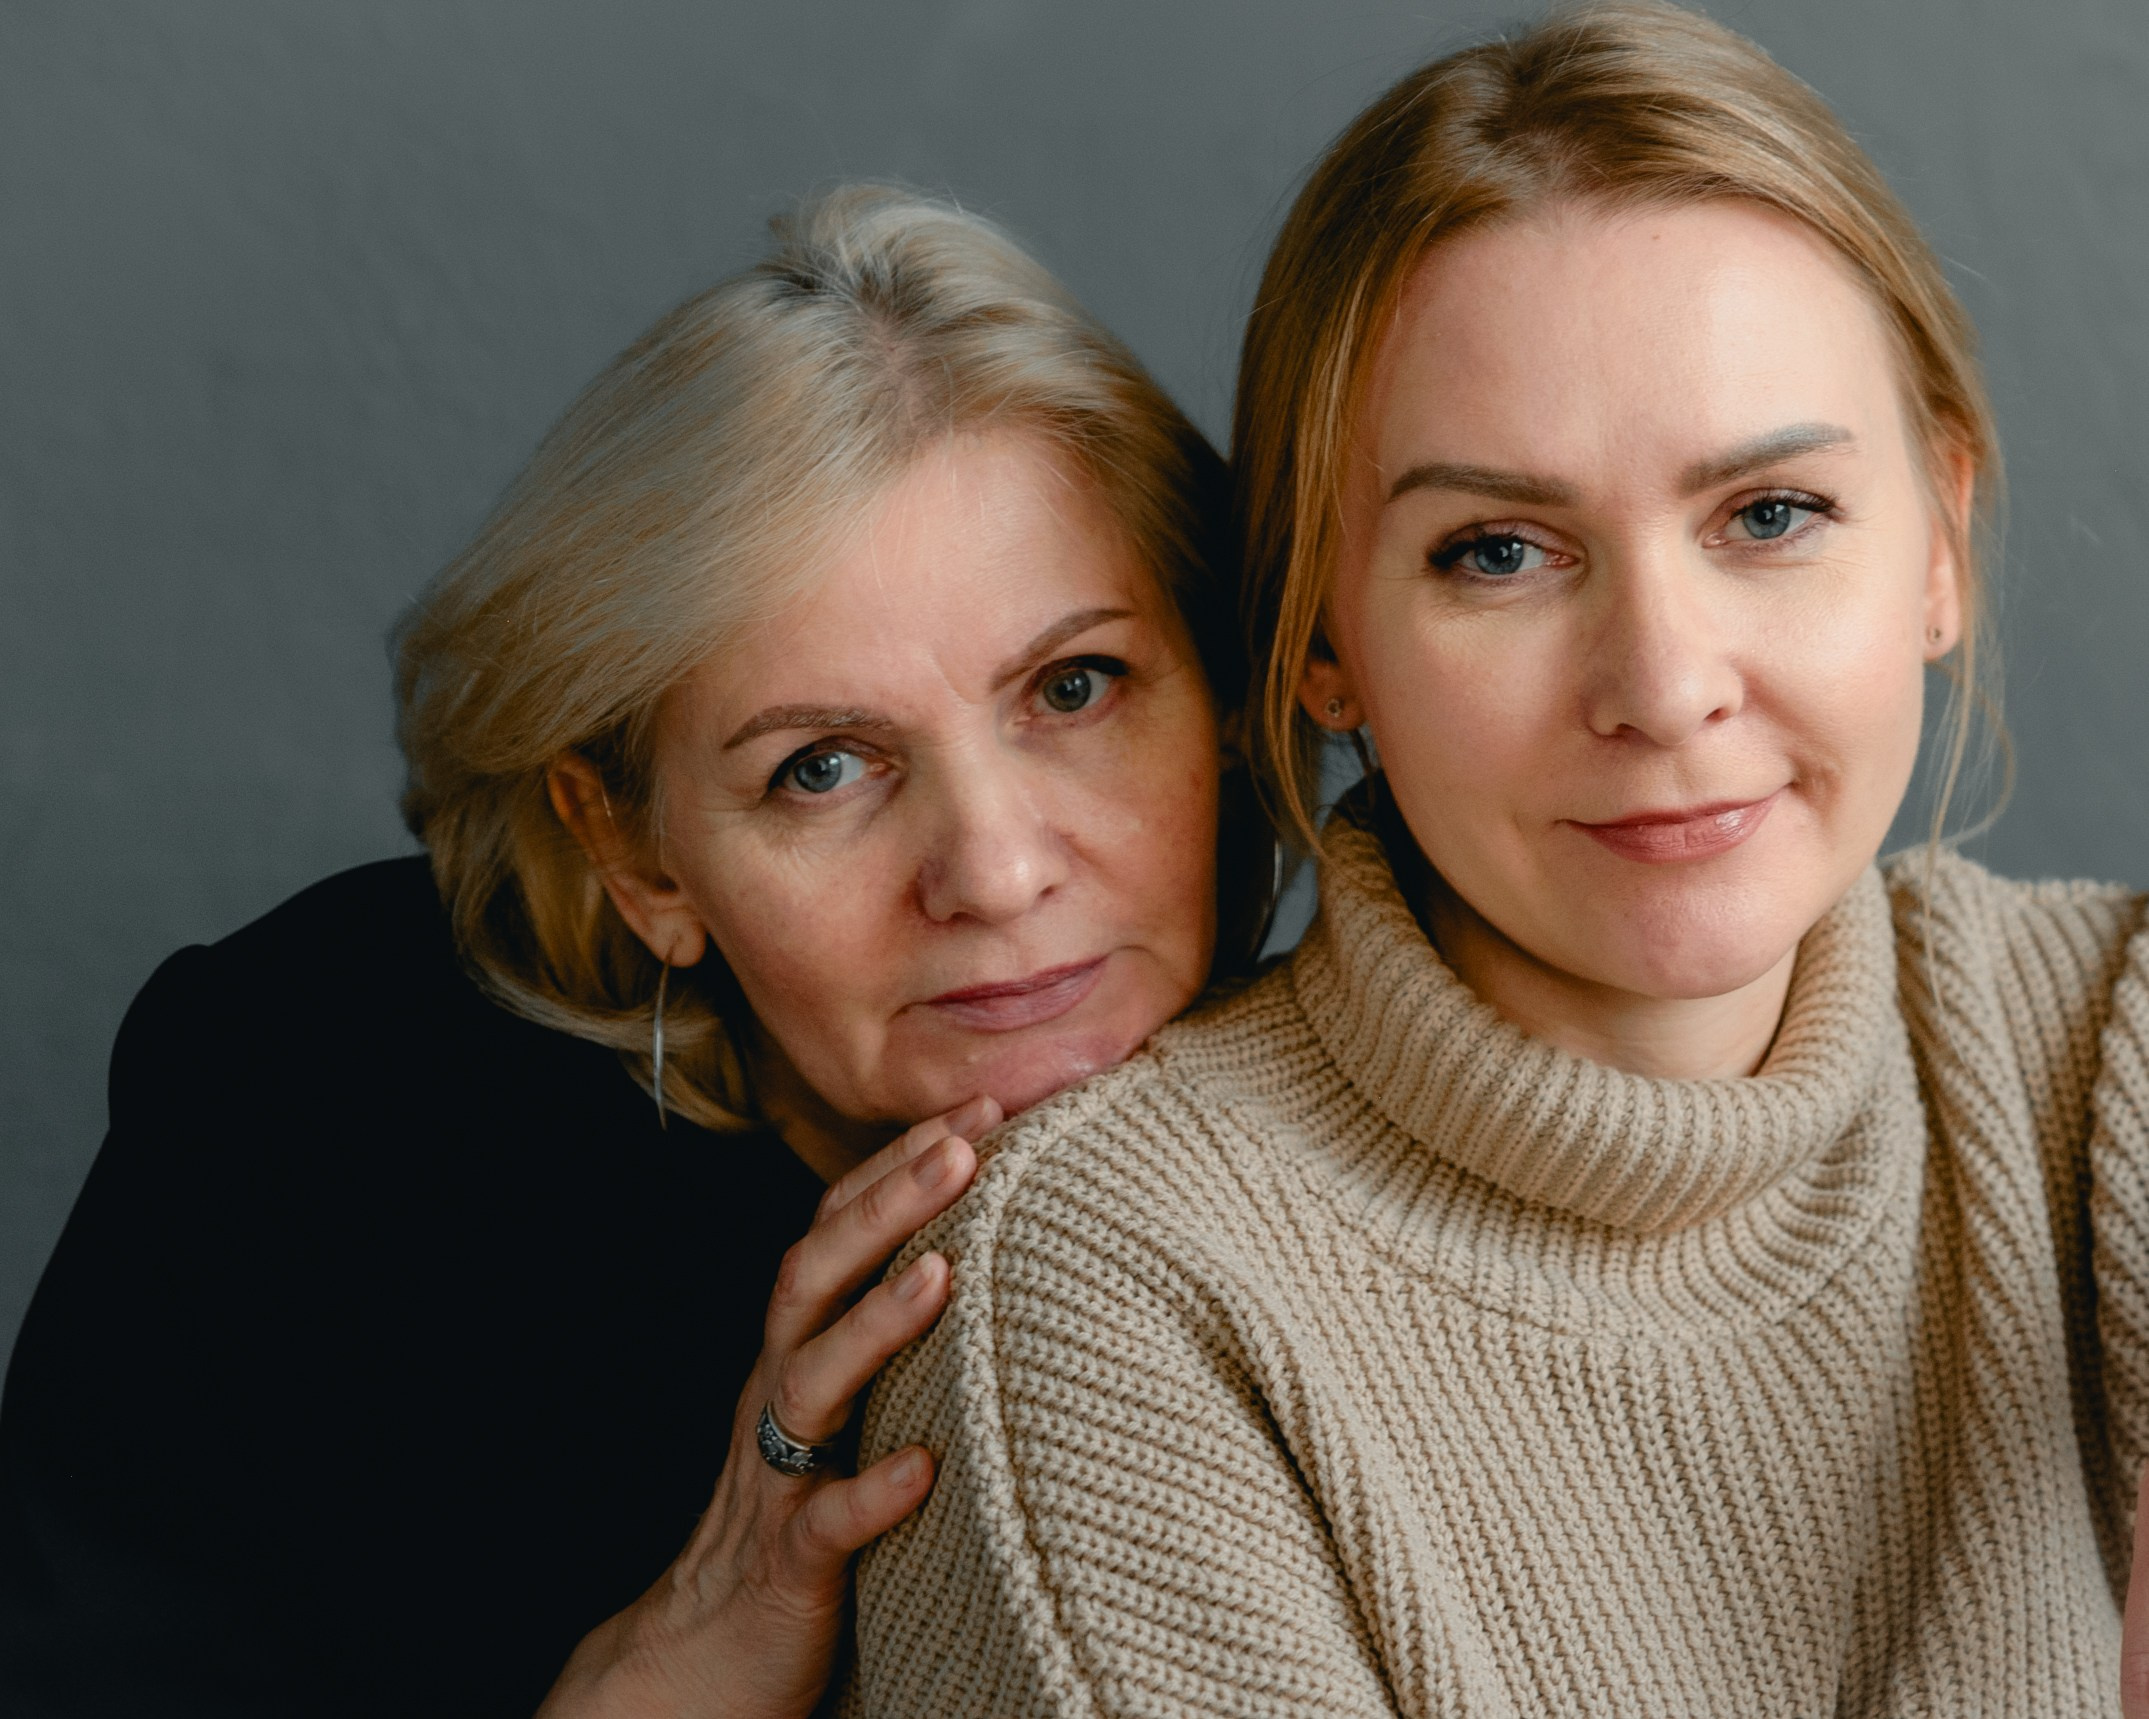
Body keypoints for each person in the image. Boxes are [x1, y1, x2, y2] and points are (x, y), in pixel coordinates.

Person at [847, 6, 2149, 1714]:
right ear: (1324, 644)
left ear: (1937, 548)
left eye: (1768, 517)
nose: (1664, 686)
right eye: (1500, 553)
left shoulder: (2102, 1039)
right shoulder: (1112, 1295)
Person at [0, 186, 1267, 1719]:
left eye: (1074, 687)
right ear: (636, 858)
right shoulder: (313, 1103)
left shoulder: (1404, 1111)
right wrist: (664, 1668)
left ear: (1228, 702)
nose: (994, 871)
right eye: (820, 768)